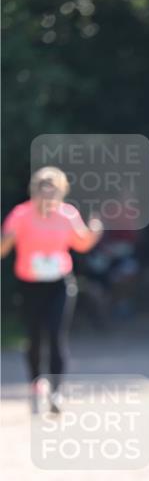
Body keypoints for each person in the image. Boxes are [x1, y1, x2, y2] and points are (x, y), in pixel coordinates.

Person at [1, 166, 103, 413]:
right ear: (34, 193)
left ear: (60, 193)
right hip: (30, 284)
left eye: (52, 193)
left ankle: (56, 392)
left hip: (59, 283)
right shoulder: (20, 215)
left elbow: (82, 244)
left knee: (57, 336)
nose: (47, 199)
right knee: (35, 338)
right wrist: (8, 238)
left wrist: (95, 231)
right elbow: (3, 249)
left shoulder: (67, 215)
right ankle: (37, 385)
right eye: (42, 193)